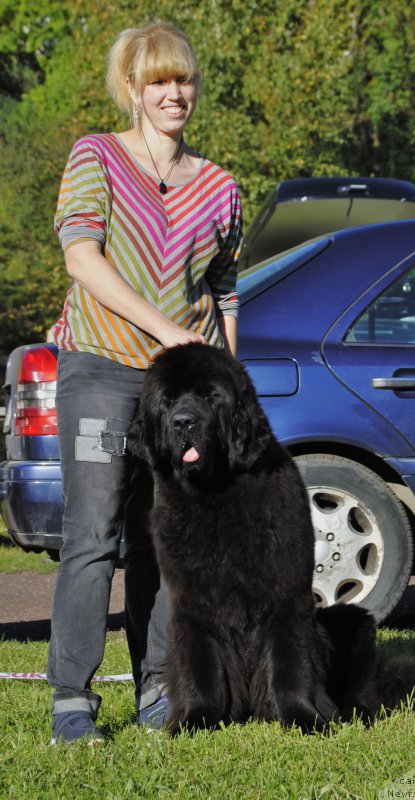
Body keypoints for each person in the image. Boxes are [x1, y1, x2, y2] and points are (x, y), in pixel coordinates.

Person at [47, 22, 243, 744]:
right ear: (131, 89)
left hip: (181, 388)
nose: (174, 93)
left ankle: (162, 686)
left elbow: (225, 293)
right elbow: (82, 259)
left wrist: (229, 384)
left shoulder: (221, 187)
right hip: (99, 368)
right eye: (158, 81)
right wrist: (165, 331)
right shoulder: (94, 156)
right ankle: (72, 699)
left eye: (183, 80)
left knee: (168, 540)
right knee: (92, 535)